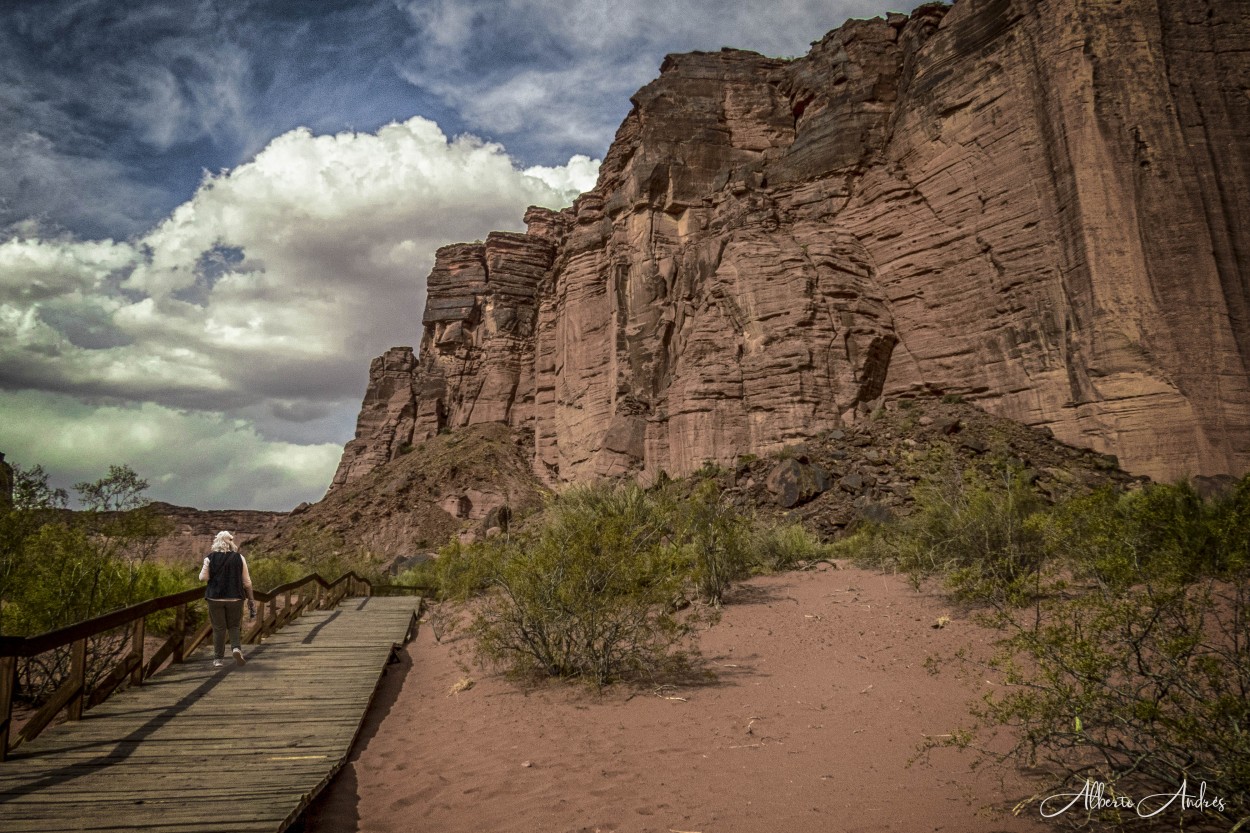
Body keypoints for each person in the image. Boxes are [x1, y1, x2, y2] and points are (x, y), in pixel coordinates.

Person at [199, 531, 256, 668]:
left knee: (219, 628)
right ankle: (236, 648)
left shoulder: (209, 558)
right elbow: (247, 582)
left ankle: (218, 659)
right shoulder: (239, 558)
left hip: (215, 598)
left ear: (216, 542)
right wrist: (251, 599)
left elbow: (202, 578)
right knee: (234, 626)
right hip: (235, 598)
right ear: (230, 542)